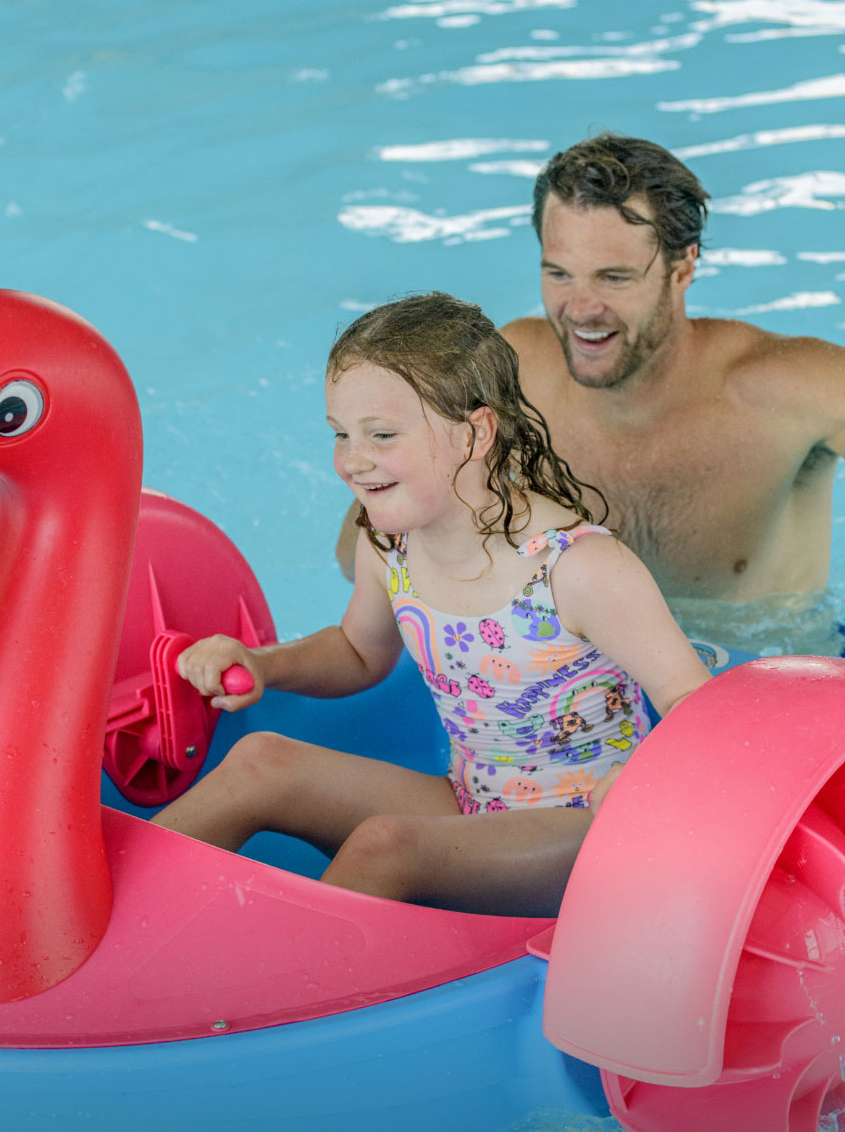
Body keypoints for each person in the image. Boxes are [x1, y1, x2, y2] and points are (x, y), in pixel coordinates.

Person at [153, 293, 710, 916]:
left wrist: (633, 785)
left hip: (590, 832)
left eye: (381, 435)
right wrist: (263, 664)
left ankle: (259, 994)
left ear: (474, 433)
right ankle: (105, 909)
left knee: (385, 847)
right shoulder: (388, 542)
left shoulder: (576, 569)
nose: (351, 461)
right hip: (472, 802)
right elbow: (360, 653)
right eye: (341, 434)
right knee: (261, 761)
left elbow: (694, 699)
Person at [336, 134, 845, 656]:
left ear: (683, 267)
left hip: (766, 682)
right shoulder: (511, 374)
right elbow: (356, 557)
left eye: (614, 277)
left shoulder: (792, 387)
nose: (580, 310)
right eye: (559, 274)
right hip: (579, 696)